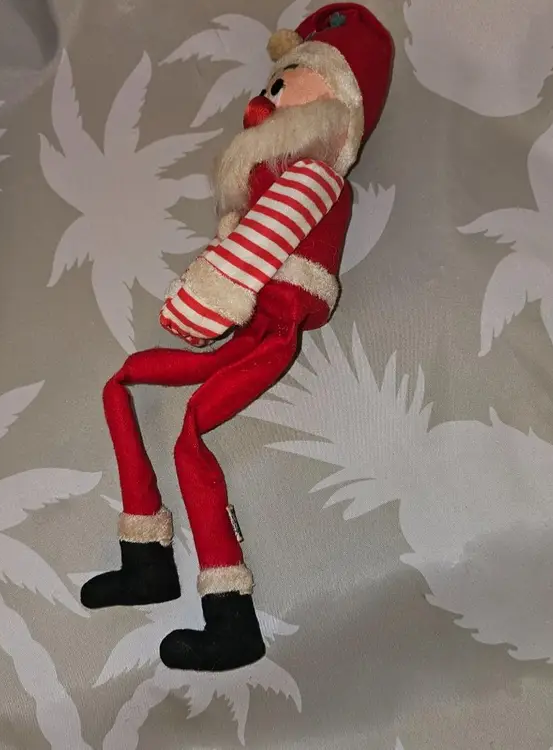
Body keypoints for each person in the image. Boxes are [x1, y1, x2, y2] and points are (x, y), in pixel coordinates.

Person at [81, 3, 395, 672]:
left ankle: (231, 617)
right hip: (250, 328)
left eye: (283, 87)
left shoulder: (311, 176)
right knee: (123, 381)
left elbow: (261, 243)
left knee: (190, 433)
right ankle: (146, 558)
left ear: (335, 105)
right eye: (270, 87)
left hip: (272, 328)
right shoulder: (275, 173)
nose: (263, 101)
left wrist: (210, 295)